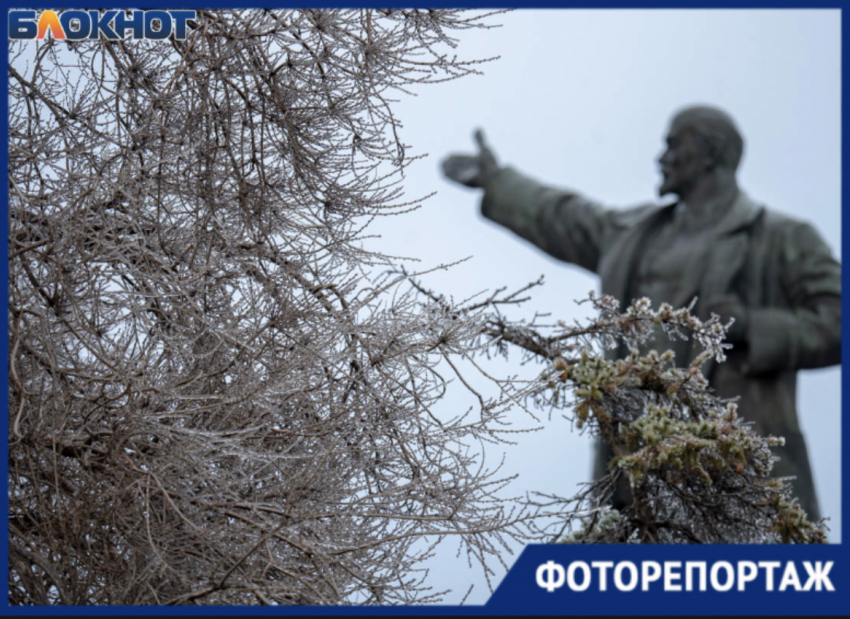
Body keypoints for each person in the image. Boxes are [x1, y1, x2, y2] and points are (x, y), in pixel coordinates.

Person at [441, 105, 841, 521]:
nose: (661, 158)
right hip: (636, 477)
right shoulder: (635, 232)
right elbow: (565, 217)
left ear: (710, 153)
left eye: (673, 145)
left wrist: (755, 326)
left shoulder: (781, 238)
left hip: (737, 478)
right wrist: (498, 181)